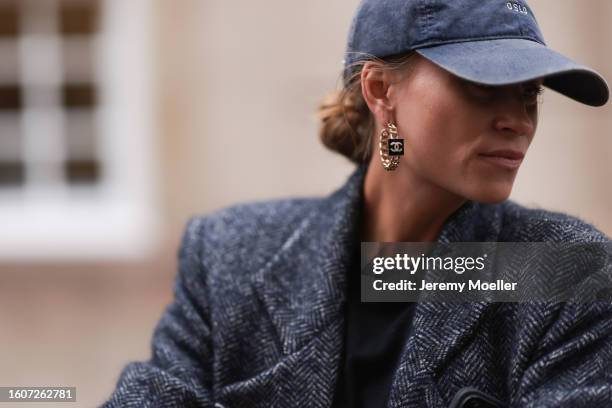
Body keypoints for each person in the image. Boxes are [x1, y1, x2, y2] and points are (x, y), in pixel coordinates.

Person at [101, 0, 611, 407]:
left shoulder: (569, 272)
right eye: (483, 85)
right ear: (380, 88)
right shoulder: (229, 254)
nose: (517, 121)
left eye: (528, 94)